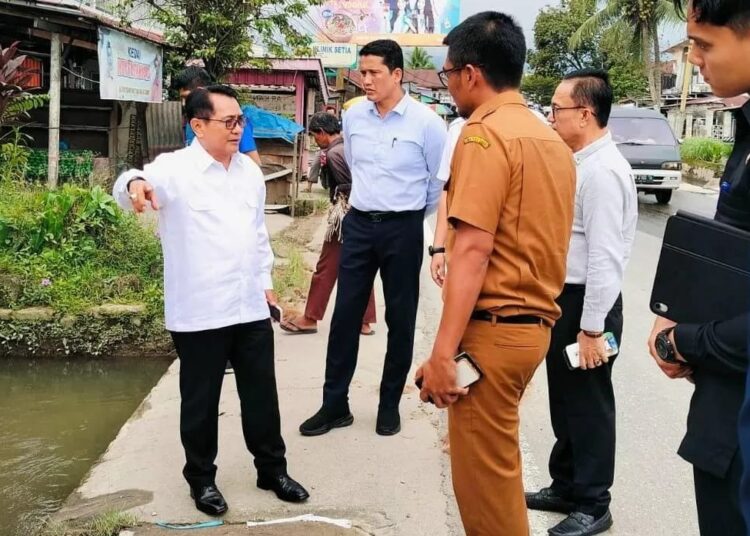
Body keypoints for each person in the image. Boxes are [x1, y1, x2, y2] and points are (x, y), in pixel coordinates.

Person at [112, 85, 309, 516]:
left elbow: (258, 237)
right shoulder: (174, 170)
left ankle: (271, 470)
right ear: (197, 125)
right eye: (229, 121)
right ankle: (201, 480)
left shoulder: (249, 173)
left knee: (261, 394)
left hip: (249, 305)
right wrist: (136, 184)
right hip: (199, 310)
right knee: (200, 400)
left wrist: (266, 283)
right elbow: (126, 182)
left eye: (241, 121)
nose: (239, 129)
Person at [416, 12, 576, 536]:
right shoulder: (549, 139)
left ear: (471, 74)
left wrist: (444, 354)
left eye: (447, 74)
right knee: (497, 474)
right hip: (530, 330)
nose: (449, 84)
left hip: (495, 328)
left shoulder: (482, 134)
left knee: (484, 494)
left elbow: (473, 250)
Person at [299, 39, 447, 437]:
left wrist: (411, 212)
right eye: (362, 72)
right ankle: (334, 405)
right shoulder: (354, 117)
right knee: (345, 315)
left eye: (373, 73)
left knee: (401, 319)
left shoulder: (428, 124)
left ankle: (388, 406)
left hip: (403, 228)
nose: (365, 80)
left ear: (397, 74)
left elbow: (438, 183)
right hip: (360, 224)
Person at [648, 2, 750, 535]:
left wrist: (688, 342)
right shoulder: (745, 127)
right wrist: (677, 316)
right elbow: (729, 252)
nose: (695, 59)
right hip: (723, 410)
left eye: (705, 45)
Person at [525, 69, 637, 536]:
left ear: (585, 114)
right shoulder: (579, 162)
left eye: (557, 108)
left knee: (589, 406)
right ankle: (566, 484)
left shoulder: (606, 172)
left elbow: (606, 260)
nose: (552, 116)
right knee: (565, 402)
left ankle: (594, 502)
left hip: (590, 306)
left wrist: (591, 328)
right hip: (566, 301)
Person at [280, 112, 377, 336]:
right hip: (361, 216)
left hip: (344, 216)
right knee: (361, 267)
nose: (315, 141)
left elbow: (346, 186)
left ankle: (310, 317)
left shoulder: (334, 153)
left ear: (323, 133)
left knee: (325, 267)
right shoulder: (349, 148)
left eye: (315, 136)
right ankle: (365, 321)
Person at [172, 67, 262, 167]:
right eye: (182, 98)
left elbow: (254, 164)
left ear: (200, 91)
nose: (184, 103)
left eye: (186, 97)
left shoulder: (236, 123)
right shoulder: (191, 123)